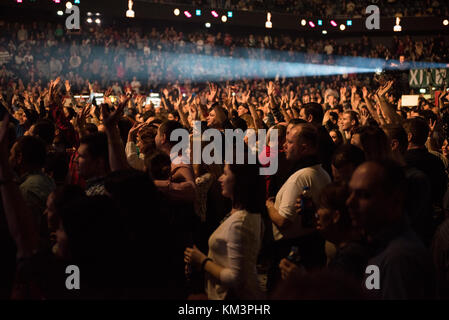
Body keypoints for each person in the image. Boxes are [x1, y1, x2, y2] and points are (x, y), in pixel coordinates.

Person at [347, 160, 436, 299]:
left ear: (395, 199)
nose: (350, 202)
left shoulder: (399, 259)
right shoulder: (378, 247)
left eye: (364, 195)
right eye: (350, 192)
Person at [184, 148, 266, 300]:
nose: (220, 178)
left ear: (240, 180)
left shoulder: (240, 223)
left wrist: (202, 261)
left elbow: (237, 278)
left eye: (226, 173)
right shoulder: (242, 213)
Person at [266, 122, 331, 292]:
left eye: (290, 142)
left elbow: (284, 221)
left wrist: (269, 205)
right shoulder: (321, 171)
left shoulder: (301, 178)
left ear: (304, 148)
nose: (284, 145)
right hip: (311, 246)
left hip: (292, 254)